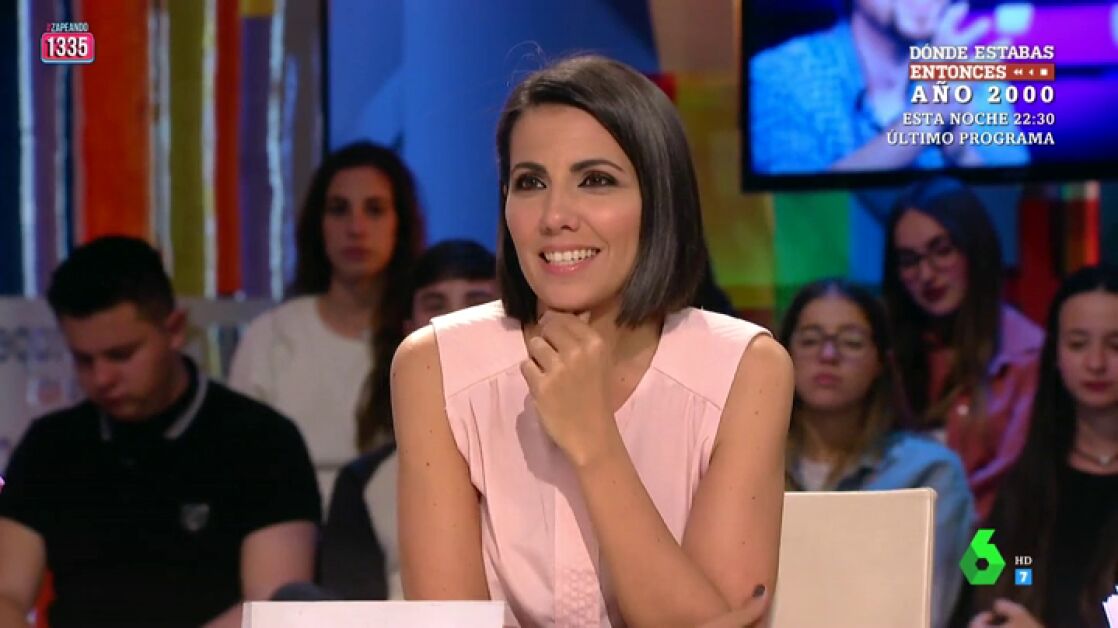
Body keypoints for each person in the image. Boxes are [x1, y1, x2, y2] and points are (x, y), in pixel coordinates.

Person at [392, 55, 794, 627]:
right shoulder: (436, 367)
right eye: (530, 183)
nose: (554, 216)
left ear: (659, 200)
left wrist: (594, 441)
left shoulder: (744, 370)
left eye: (596, 181)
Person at [0, 236, 321, 627]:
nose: (102, 378)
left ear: (175, 330)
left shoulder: (263, 442)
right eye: (83, 359)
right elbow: (6, 594)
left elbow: (275, 606)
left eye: (121, 355)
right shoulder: (50, 446)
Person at [228, 141, 424, 505]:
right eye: (338, 209)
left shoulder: (419, 336)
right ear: (318, 225)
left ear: (400, 224)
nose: (356, 227)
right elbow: (240, 464)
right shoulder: (271, 335)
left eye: (375, 210)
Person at [781, 278, 973, 628]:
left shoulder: (930, 472)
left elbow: (928, 609)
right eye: (810, 340)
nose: (828, 355)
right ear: (784, 353)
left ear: (881, 361)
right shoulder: (748, 467)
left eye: (851, 342)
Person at [318, 239, 498, 601]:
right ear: (407, 328)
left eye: (476, 302)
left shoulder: (548, 457)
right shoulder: (363, 482)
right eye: (435, 305)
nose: (453, 322)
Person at [955, 265, 1118, 628]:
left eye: (1115, 345)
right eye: (1078, 344)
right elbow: (972, 588)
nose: (1096, 363)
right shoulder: (1020, 484)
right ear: (1055, 355)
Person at [882, 178, 1043, 520]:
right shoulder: (890, 352)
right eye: (909, 260)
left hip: (990, 536)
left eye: (942, 251)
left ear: (975, 249)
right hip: (897, 532)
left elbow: (1008, 490)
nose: (927, 274)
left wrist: (969, 551)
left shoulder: (1028, 355)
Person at [750, 0, 1029, 174]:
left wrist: (962, 155)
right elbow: (797, 207)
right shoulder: (780, 75)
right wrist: (926, 121)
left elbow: (1017, 204)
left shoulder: (972, 75)